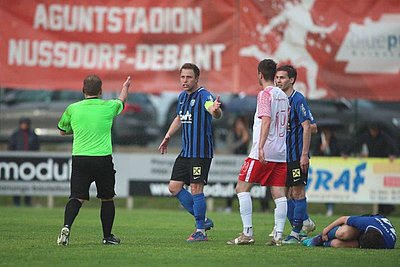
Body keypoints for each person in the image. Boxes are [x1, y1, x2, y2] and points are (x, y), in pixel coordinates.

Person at [56, 74, 131, 246]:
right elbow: (122, 100)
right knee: (107, 198)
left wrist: (80, 130)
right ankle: (107, 236)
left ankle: (66, 227)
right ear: (101, 91)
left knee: (76, 197)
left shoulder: (73, 108)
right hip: (102, 158)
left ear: (83, 90)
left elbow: (61, 130)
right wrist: (125, 87)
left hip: (80, 158)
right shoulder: (108, 106)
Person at [227, 59, 289, 246]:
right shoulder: (284, 95)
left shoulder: (264, 94)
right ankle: (278, 235)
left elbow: (267, 120)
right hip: (280, 152)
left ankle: (247, 233)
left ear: (260, 75)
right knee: (279, 193)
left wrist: (260, 146)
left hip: (263, 151)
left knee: (241, 188)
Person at [158, 63, 222, 242]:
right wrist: (168, 135)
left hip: (200, 152)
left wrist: (215, 110)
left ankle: (200, 230)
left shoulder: (204, 95)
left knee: (195, 189)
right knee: (174, 187)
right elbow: (179, 117)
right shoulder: (181, 97)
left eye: (188, 77)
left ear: (196, 78)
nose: (185, 80)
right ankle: (203, 220)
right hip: (186, 151)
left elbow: (212, 108)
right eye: (182, 77)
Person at [274, 65, 314, 244]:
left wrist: (304, 154)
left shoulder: (298, 99)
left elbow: (309, 126)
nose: (278, 81)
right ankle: (304, 222)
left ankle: (297, 232)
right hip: (282, 155)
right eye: (276, 77)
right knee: (282, 193)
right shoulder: (278, 100)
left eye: (282, 77)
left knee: (297, 192)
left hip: (297, 155)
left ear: (291, 80)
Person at [344, 122, 399, 215]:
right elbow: (356, 143)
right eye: (372, 130)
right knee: (375, 186)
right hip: (372, 164)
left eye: (374, 131)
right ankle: (383, 209)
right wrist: (347, 152)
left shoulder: (384, 137)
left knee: (382, 187)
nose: (373, 132)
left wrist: (393, 155)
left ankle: (386, 208)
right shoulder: (366, 136)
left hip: (382, 164)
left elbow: (392, 145)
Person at [303, 214, 397, 249]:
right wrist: (325, 231)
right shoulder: (365, 223)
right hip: (365, 228)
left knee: (336, 244)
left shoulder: (388, 244)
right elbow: (343, 219)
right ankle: (319, 238)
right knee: (343, 233)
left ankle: (323, 244)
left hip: (371, 238)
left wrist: (359, 245)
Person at [8, 117, 40, 206]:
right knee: (16, 183)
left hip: (29, 163)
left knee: (28, 183)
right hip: (17, 162)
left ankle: (27, 201)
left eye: (26, 123)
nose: (24, 125)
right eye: (22, 123)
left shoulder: (32, 134)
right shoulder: (16, 134)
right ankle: (16, 201)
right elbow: (11, 146)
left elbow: (36, 147)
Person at [312, 126, 341, 216]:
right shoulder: (318, 140)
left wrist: (329, 146)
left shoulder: (334, 140)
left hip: (331, 169)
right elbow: (314, 153)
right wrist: (321, 149)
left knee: (331, 189)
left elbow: (337, 153)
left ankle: (330, 208)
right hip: (320, 170)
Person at [224, 116, 251, 213]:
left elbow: (251, 148)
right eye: (238, 123)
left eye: (241, 123)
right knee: (232, 184)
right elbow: (230, 146)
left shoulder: (248, 134)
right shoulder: (232, 134)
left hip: (244, 162)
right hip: (233, 161)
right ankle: (228, 205)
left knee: (245, 184)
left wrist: (246, 138)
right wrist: (242, 141)